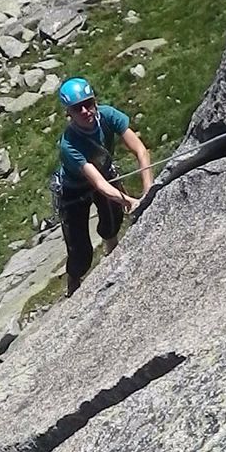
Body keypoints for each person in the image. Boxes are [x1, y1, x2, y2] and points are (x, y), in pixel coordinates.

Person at [51, 76, 152, 295]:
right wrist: (133, 201)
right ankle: (74, 278)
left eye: (89, 103)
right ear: (69, 113)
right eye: (78, 108)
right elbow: (98, 183)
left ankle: (112, 253)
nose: (86, 111)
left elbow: (141, 151)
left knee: (113, 221)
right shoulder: (69, 144)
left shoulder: (107, 116)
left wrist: (148, 190)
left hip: (103, 174)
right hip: (74, 190)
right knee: (81, 252)